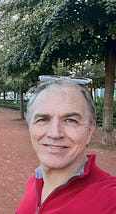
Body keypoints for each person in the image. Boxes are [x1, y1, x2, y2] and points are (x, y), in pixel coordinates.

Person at [15, 78, 116, 213]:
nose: (55, 133)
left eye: (70, 120)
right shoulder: (34, 182)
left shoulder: (110, 200)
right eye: (43, 119)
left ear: (90, 130)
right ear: (30, 127)